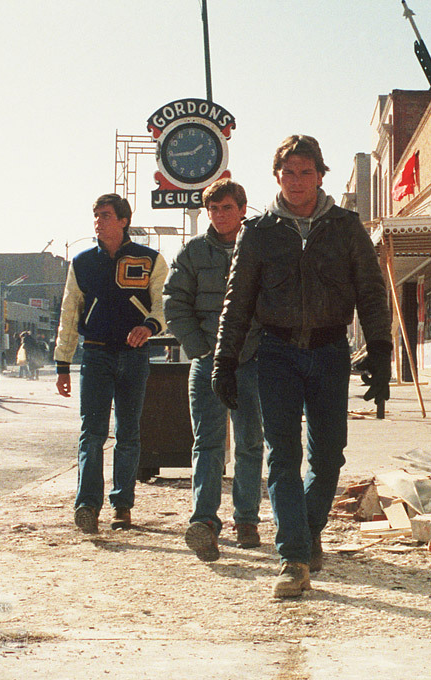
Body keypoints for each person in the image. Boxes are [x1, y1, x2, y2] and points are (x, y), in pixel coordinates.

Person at [213, 135, 392, 597]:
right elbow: (237, 302)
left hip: (331, 353)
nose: (296, 182)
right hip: (276, 353)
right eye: (288, 173)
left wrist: (380, 351)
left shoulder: (346, 228)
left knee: (329, 455)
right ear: (277, 177)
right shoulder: (259, 232)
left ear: (320, 175)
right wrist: (224, 359)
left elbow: (372, 293)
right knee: (283, 456)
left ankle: (309, 528)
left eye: (305, 172)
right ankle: (293, 557)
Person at [163, 179, 264, 562]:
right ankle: (204, 522)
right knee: (207, 444)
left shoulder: (259, 250)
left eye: (227, 208)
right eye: (214, 209)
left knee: (250, 442)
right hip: (206, 362)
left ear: (242, 209)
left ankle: (247, 520)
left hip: (250, 361)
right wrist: (201, 350)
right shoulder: (191, 254)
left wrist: (258, 347)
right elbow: (174, 304)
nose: (220, 215)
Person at [54, 193, 168, 533]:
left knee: (128, 433)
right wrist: (63, 363)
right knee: (91, 434)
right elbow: (69, 312)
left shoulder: (151, 260)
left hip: (134, 357)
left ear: (123, 220)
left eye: (105, 215)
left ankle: (122, 506)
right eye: (96, 215)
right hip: (95, 354)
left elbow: (163, 307)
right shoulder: (82, 263)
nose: (98, 222)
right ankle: (87, 505)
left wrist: (148, 327)